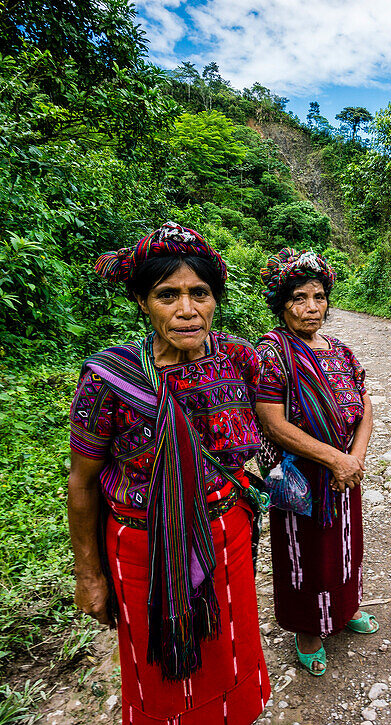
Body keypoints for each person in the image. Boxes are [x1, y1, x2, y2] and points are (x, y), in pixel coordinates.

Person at [66, 222, 270, 725]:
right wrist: (90, 574)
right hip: (143, 548)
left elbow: (275, 419)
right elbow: (83, 482)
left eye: (199, 293)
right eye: (167, 295)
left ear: (215, 298)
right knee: (162, 667)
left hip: (227, 534)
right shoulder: (109, 379)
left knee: (231, 647)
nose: (186, 310)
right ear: (142, 301)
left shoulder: (237, 357)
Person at [253, 248, 375, 677]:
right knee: (303, 554)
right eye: (299, 298)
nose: (311, 308)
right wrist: (332, 459)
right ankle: (308, 630)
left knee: (345, 546)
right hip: (301, 478)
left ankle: (344, 610)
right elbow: (271, 422)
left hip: (345, 474)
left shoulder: (341, 351)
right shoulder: (272, 353)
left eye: (319, 297)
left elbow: (364, 407)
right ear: (282, 304)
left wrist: (353, 460)